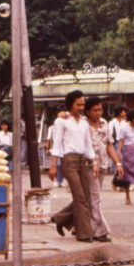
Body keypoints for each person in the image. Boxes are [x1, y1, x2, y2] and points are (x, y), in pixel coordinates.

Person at [56, 96, 121, 242]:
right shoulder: (81, 122)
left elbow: (109, 144)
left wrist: (118, 163)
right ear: (87, 111)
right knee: (95, 199)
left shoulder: (104, 123)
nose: (98, 113)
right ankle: (99, 231)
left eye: (100, 109)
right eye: (95, 110)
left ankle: (64, 220)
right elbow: (64, 118)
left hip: (102, 164)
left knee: (87, 198)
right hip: (87, 165)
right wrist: (61, 114)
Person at [48, 90, 100, 243]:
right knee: (80, 197)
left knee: (86, 197)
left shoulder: (84, 122)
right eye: (78, 104)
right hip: (68, 161)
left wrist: (94, 161)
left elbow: (88, 144)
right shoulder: (61, 121)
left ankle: (60, 219)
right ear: (70, 104)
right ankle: (84, 234)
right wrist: (53, 165)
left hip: (84, 160)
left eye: (83, 104)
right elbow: (57, 144)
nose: (81, 107)